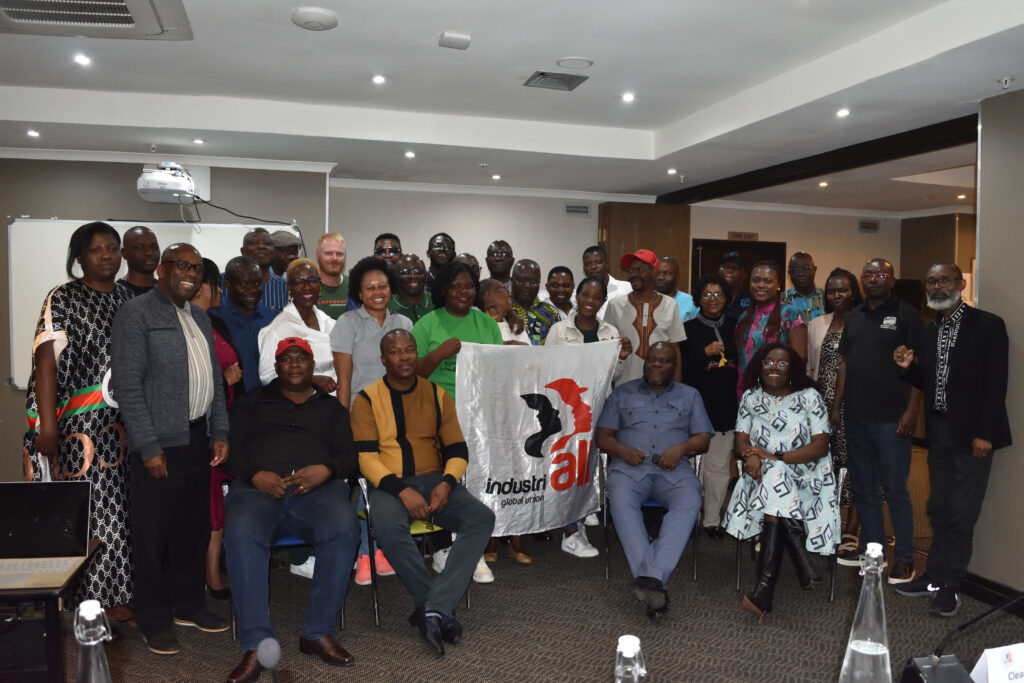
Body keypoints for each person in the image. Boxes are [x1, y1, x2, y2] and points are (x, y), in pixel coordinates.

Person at [111, 243, 230, 655]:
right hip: (159, 445)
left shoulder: (199, 316)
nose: (190, 274)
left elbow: (213, 380)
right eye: (182, 265)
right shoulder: (136, 313)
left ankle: (188, 605)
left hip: (197, 439)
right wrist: (148, 446)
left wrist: (220, 430)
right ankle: (153, 618)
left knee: (191, 530)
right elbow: (128, 385)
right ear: (162, 270)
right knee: (153, 537)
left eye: (196, 268)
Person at [222, 338, 360, 682]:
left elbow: (350, 456)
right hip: (258, 491)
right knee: (241, 532)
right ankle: (257, 645)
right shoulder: (251, 401)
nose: (295, 364)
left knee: (344, 528)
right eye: (287, 359)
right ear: (276, 366)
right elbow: (229, 449)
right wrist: (255, 474)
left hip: (318, 493)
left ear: (312, 366)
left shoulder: (332, 409)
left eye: (302, 358)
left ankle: (317, 632)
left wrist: (326, 469)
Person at [351, 329, 496, 656]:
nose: (404, 357)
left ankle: (432, 609)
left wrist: (447, 483)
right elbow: (366, 458)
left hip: (435, 481)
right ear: (384, 359)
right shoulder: (367, 399)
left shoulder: (436, 394)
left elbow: (458, 449)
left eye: (410, 350)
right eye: (396, 352)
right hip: (389, 484)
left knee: (481, 518)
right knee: (387, 526)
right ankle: (435, 605)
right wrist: (402, 491)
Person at [23, 221, 134, 623]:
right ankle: (91, 606)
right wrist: (49, 427)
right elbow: (46, 363)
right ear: (80, 257)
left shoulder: (127, 297)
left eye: (112, 248)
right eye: (96, 249)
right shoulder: (64, 297)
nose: (107, 256)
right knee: (93, 513)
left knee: (122, 513)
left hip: (125, 424)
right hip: (79, 428)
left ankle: (119, 598)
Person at [891, 263, 1011, 617]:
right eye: (931, 281)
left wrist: (985, 433)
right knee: (938, 508)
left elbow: (996, 383)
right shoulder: (931, 331)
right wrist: (909, 368)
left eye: (944, 280)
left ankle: (950, 585)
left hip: (973, 435)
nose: (937, 286)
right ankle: (934, 577)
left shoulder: (987, 325)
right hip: (940, 431)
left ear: (960, 284)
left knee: (960, 513)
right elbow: (929, 381)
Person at [596, 342, 712, 619]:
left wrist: (681, 449)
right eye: (652, 360)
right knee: (620, 499)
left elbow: (703, 438)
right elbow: (602, 436)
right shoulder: (622, 393)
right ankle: (654, 582)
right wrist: (622, 450)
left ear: (674, 366)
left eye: (663, 361)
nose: (656, 365)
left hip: (674, 470)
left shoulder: (690, 395)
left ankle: (649, 580)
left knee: (690, 499)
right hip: (629, 469)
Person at [724, 343, 837, 622]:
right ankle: (797, 564)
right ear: (759, 366)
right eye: (768, 362)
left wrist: (775, 457)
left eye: (782, 363)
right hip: (761, 476)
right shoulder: (751, 398)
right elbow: (740, 440)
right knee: (775, 477)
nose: (774, 367)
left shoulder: (810, 397)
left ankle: (767, 588)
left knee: (776, 475)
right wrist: (752, 454)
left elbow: (820, 447)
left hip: (807, 476)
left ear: (793, 369)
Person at [833, 258, 923, 584]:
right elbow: (845, 363)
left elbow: (918, 366)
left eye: (880, 274)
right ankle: (875, 551)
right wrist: (836, 407)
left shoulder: (907, 314)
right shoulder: (855, 315)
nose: (873, 279)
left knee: (896, 489)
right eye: (868, 274)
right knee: (865, 488)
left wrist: (912, 411)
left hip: (892, 419)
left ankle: (905, 558)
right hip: (856, 417)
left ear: (892, 280)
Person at [411, 262, 502, 582]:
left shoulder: (486, 324)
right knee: (441, 482)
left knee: (473, 484)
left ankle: (471, 550)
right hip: (435, 417)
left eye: (469, 286)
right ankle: (441, 548)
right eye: (456, 286)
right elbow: (411, 374)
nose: (464, 292)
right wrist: (440, 354)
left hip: (477, 416)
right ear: (443, 290)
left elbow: (498, 370)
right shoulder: (427, 324)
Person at [331, 256, 412, 584]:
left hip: (398, 418)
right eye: (370, 288)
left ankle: (379, 548)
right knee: (366, 485)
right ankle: (366, 551)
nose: (377, 292)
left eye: (383, 286)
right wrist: (342, 423)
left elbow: (409, 375)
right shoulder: (347, 323)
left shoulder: (404, 323)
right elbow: (343, 380)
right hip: (360, 417)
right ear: (359, 293)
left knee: (389, 485)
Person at [546, 277, 632, 557]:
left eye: (596, 298)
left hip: (600, 407)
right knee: (572, 465)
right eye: (585, 295)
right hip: (570, 410)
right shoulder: (559, 331)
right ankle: (571, 532)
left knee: (591, 465)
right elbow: (548, 369)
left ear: (602, 301)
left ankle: (584, 512)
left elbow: (614, 375)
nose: (589, 302)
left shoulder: (609, 331)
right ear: (577, 295)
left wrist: (621, 357)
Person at [189, 259, 244, 602]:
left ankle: (215, 570)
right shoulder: (186, 325)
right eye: (215, 283)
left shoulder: (214, 322)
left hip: (225, 425)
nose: (220, 290)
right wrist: (224, 381)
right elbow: (190, 384)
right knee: (209, 507)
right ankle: (209, 576)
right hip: (202, 429)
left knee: (219, 507)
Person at [805, 268, 862, 562]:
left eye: (843, 290)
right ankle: (829, 522)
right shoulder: (817, 324)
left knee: (854, 465)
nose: (837, 295)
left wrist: (838, 407)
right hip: (821, 406)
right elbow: (811, 368)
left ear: (853, 292)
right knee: (826, 465)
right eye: (831, 291)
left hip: (854, 405)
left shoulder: (863, 321)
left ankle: (852, 528)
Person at [680, 274, 739, 540]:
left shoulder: (737, 326)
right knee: (691, 468)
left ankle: (712, 520)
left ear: (726, 298)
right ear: (698, 299)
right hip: (694, 410)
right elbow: (679, 367)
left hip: (726, 408)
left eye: (718, 294)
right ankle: (688, 516)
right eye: (707, 294)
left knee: (718, 469)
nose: (713, 299)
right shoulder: (687, 329)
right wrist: (704, 353)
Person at [603, 249, 685, 385]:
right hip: (625, 387)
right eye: (631, 271)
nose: (634, 274)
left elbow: (675, 349)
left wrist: (677, 387)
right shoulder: (615, 305)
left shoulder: (670, 305)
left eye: (640, 270)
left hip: (661, 388)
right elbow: (606, 349)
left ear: (654, 272)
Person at [257, 259, 338, 395]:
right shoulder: (278, 329)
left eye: (312, 280)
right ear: (289, 286)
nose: (307, 287)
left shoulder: (329, 323)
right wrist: (311, 380)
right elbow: (268, 376)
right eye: (299, 282)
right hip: (299, 401)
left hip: (335, 400)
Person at [734, 261, 807, 387]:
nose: (760, 285)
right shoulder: (744, 316)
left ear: (778, 284)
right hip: (744, 389)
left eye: (767, 281)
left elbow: (799, 360)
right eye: (755, 280)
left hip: (776, 390)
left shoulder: (790, 314)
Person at [210, 256, 276, 391]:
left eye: (257, 284)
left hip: (269, 397)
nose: (252, 290)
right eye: (244, 285)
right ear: (228, 284)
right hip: (232, 397)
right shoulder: (214, 319)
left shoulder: (271, 317)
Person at [510, 259, 560, 345]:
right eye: (522, 281)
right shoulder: (500, 310)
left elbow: (559, 347)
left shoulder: (551, 313)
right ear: (512, 281)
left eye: (534, 282)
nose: (527, 286)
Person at [238, 227, 288, 313]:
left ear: (273, 252)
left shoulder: (286, 288)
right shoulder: (221, 283)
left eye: (267, 244)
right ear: (243, 251)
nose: (261, 247)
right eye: (254, 243)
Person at [581, 245, 630, 318]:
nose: (593, 267)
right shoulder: (580, 294)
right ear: (584, 268)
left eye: (598, 262)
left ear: (607, 265)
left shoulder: (627, 288)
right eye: (588, 264)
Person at [477, 278, 530, 345]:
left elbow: (531, 351)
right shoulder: (477, 326)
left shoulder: (516, 325)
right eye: (504, 289)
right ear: (489, 296)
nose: (509, 294)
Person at [388, 253, 434, 323]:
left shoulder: (438, 302)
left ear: (426, 276)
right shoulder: (386, 306)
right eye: (405, 272)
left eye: (417, 271)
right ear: (396, 277)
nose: (413, 276)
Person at [781, 252, 825, 323]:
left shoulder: (826, 297)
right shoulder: (781, 300)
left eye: (806, 268)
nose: (800, 273)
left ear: (814, 270)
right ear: (789, 274)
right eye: (795, 270)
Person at [118, 225, 159, 296]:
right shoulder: (116, 294)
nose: (149, 252)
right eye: (140, 248)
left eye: (153, 247)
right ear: (124, 253)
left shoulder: (168, 291)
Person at [314, 232, 348, 319]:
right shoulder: (306, 288)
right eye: (328, 253)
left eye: (339, 254)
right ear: (317, 255)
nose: (334, 258)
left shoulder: (356, 286)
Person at [656, 256, 698, 322]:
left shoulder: (691, 302)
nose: (661, 277)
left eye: (667, 273)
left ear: (677, 277)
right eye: (657, 273)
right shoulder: (645, 301)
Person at [718, 252, 751, 320]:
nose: (729, 270)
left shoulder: (751, 297)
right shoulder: (711, 296)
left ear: (744, 275)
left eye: (735, 268)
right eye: (726, 267)